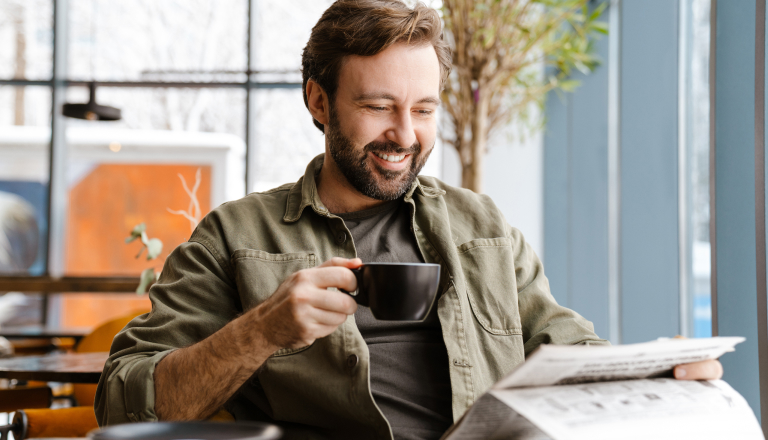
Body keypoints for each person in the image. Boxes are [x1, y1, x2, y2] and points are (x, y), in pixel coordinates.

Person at [95, 1, 723, 439]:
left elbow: (564, 346)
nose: (404, 135)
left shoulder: (482, 226)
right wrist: (262, 330)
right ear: (318, 100)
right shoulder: (236, 238)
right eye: (378, 106)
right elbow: (124, 404)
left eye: (423, 109)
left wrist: (655, 370)